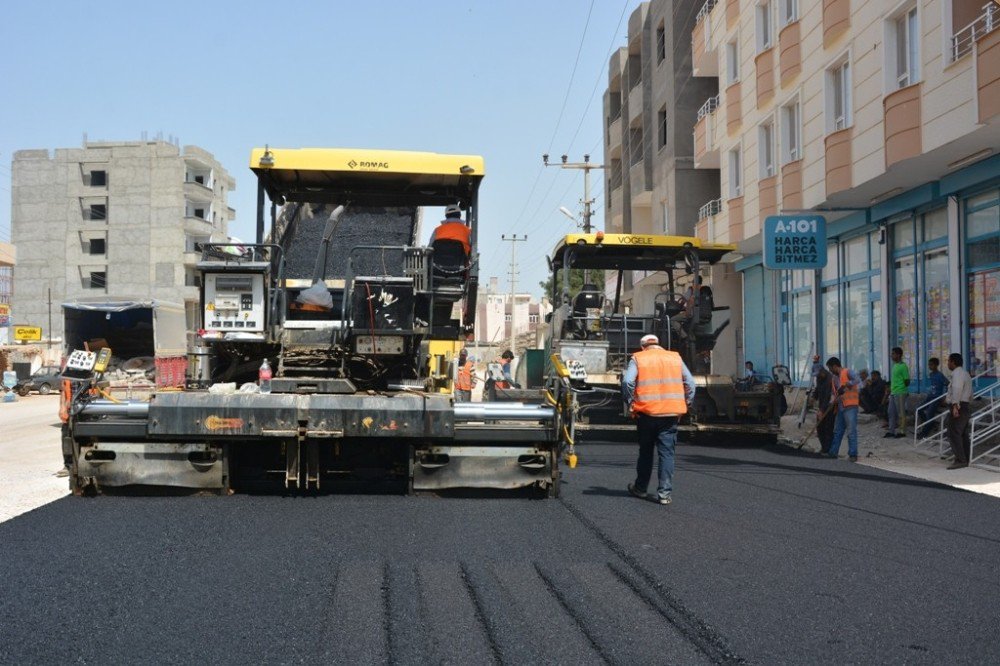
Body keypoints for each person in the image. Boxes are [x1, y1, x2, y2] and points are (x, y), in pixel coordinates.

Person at [621, 334, 696, 505]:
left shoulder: (638, 358)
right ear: (658, 344)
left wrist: (631, 402)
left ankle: (640, 489)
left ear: (643, 346)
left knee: (646, 453)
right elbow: (690, 383)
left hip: (646, 414)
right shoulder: (675, 357)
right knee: (667, 454)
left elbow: (627, 382)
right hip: (670, 416)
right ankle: (664, 494)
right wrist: (687, 403)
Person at [826, 356, 862, 462]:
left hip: (851, 406)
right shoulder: (834, 379)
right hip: (841, 407)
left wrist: (848, 384)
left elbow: (857, 379)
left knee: (851, 431)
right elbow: (834, 393)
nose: (830, 371)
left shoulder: (847, 372)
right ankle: (833, 452)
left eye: (830, 368)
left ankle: (853, 454)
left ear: (835, 366)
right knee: (838, 431)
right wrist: (832, 402)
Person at [944, 353, 973, 469]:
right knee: (963, 434)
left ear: (953, 362)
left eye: (949, 361)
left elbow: (957, 389)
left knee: (954, 433)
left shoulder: (957, 374)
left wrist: (955, 406)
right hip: (965, 405)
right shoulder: (965, 374)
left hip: (959, 406)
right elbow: (971, 393)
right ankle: (965, 458)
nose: (948, 364)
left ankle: (960, 459)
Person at [917, 357, 949, 438]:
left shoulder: (940, 375)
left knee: (929, 413)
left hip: (937, 398)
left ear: (936, 365)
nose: (929, 366)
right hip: (930, 397)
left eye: (931, 365)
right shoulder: (931, 374)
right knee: (919, 409)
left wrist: (944, 396)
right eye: (929, 365)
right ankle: (930, 424)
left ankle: (925, 432)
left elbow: (948, 384)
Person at [886, 347, 910, 438]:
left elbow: (907, 381)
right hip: (893, 392)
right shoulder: (895, 365)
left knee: (901, 413)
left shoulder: (903, 366)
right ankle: (891, 431)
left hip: (900, 392)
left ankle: (902, 431)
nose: (891, 355)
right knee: (890, 412)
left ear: (898, 355)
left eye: (893, 354)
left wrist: (901, 387)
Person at [814, 365, 836, 455]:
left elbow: (827, 396)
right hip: (822, 406)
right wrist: (813, 396)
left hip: (830, 407)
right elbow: (817, 390)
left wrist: (822, 410)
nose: (817, 376)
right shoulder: (819, 378)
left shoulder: (830, 379)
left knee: (828, 428)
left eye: (818, 374)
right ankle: (824, 447)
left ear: (822, 371)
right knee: (819, 427)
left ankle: (828, 448)